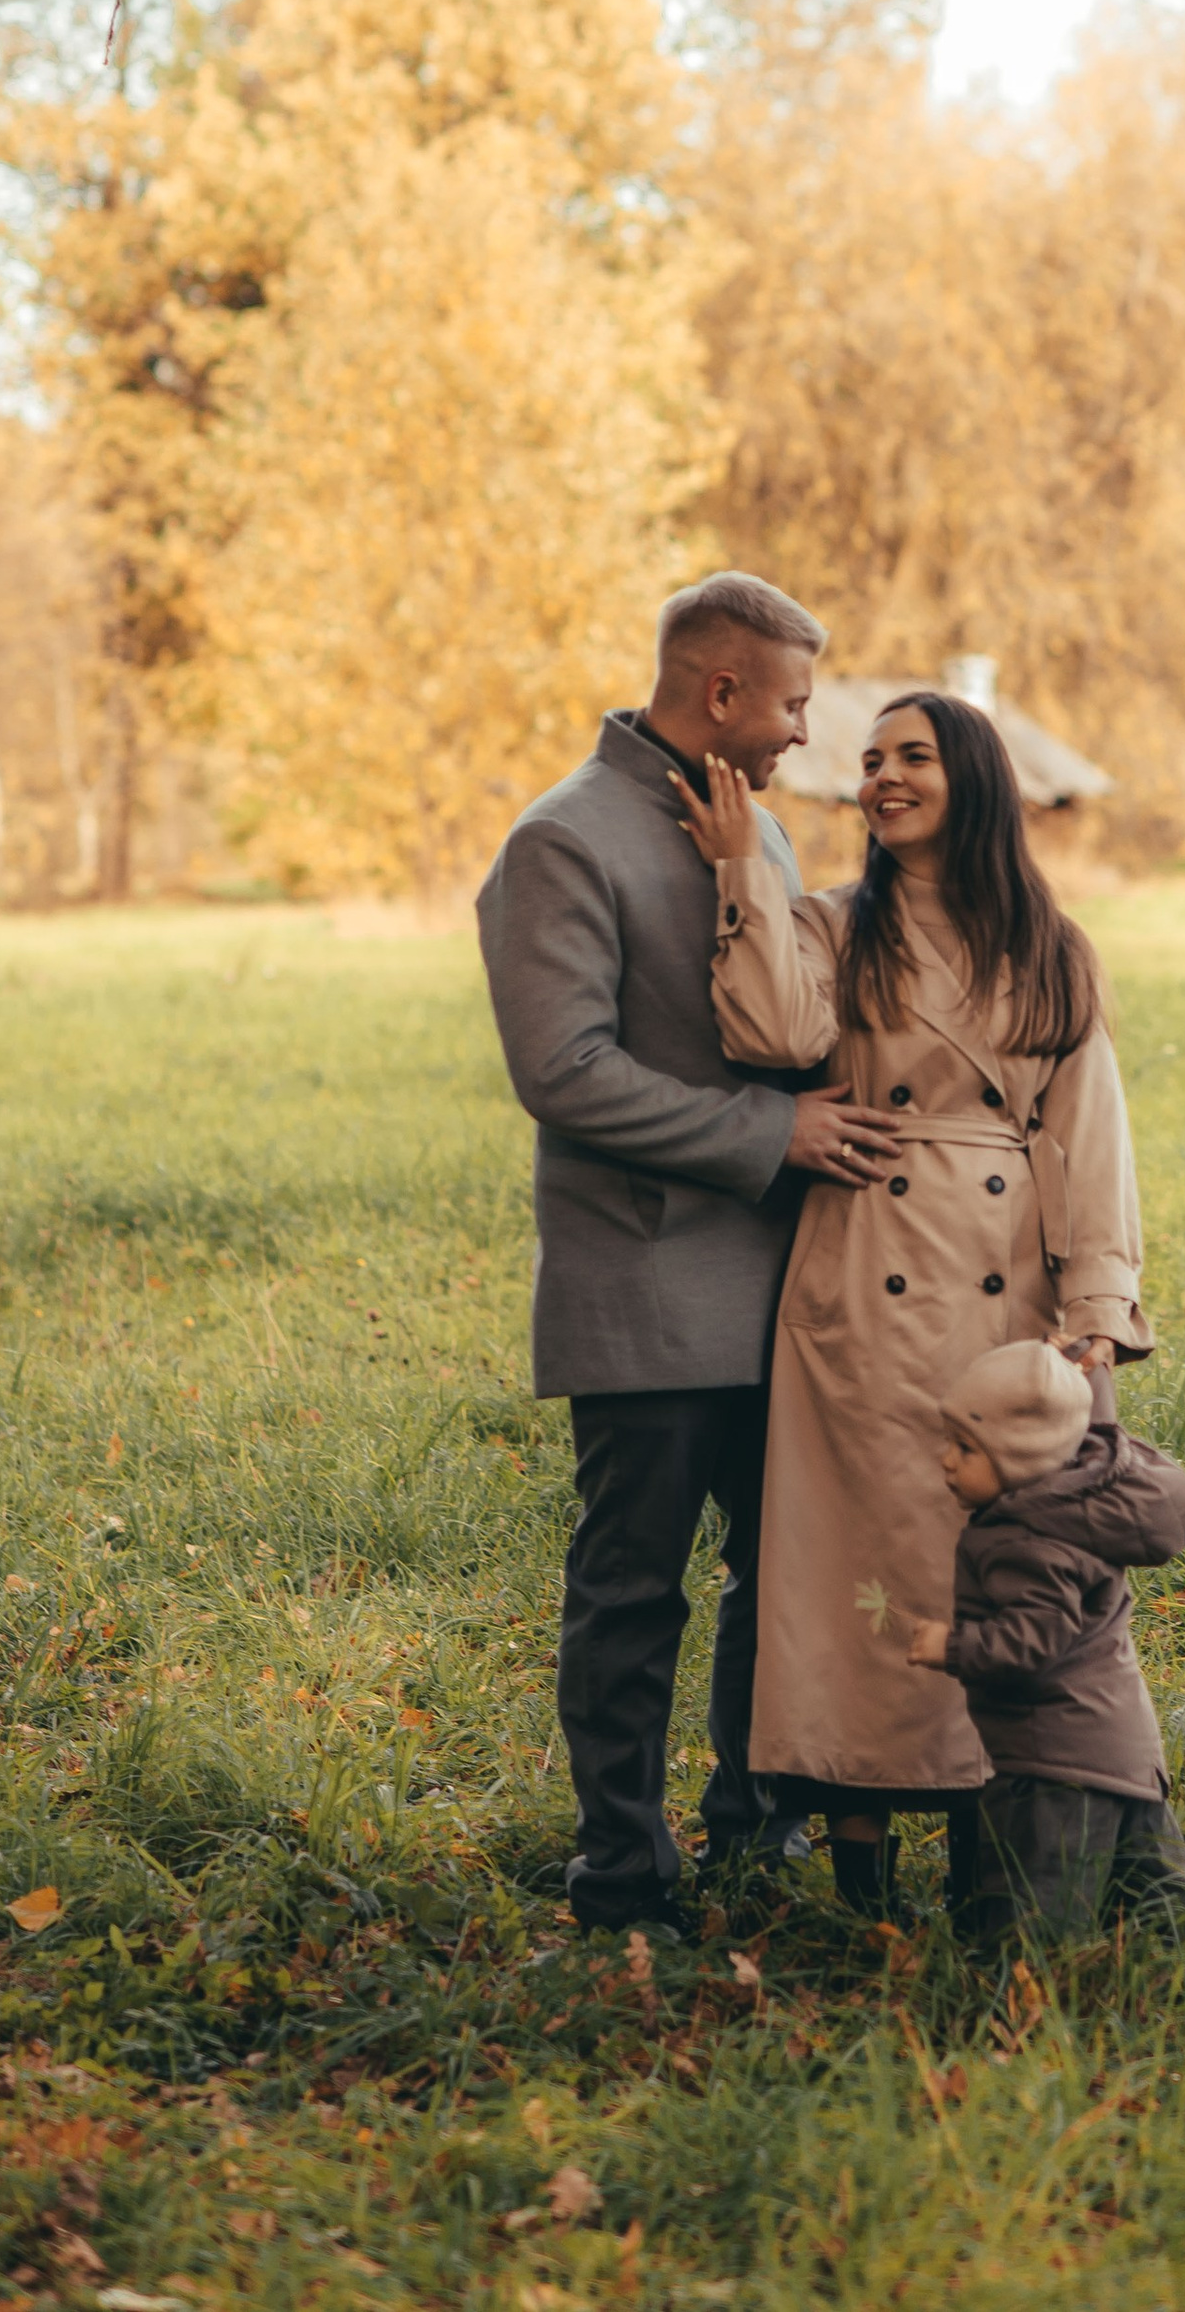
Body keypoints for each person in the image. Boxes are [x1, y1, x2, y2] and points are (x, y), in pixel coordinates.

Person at [673, 688, 1149, 1914]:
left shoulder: (1052, 945)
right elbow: (773, 1032)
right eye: (871, 759)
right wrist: (739, 873)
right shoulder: (835, 923)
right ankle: (860, 1868)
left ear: (973, 777)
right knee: (861, 1571)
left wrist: (1097, 1297)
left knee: (1006, 1569)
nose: (882, 776)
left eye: (913, 756)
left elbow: (1085, 1137)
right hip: (862, 1294)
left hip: (1011, 1306)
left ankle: (1017, 1841)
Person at [475, 572, 900, 1936]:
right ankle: (619, 1871)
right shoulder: (562, 838)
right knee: (631, 1590)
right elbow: (564, 1073)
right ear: (720, 691)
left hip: (787, 1292)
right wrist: (770, 1133)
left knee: (779, 1583)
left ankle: (752, 1827)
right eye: (787, 703)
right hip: (648, 1288)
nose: (799, 731)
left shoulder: (753, 832)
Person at [907, 1336, 1185, 1945]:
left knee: (1033, 1901)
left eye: (966, 1447)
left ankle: (1018, 2007)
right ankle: (1178, 1980)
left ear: (1018, 1458)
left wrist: (952, 1646)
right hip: (1123, 1745)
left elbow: (1029, 1646)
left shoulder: (1023, 1541)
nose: (946, 1460)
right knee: (1150, 1888)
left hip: (1055, 1760)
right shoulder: (1081, 1509)